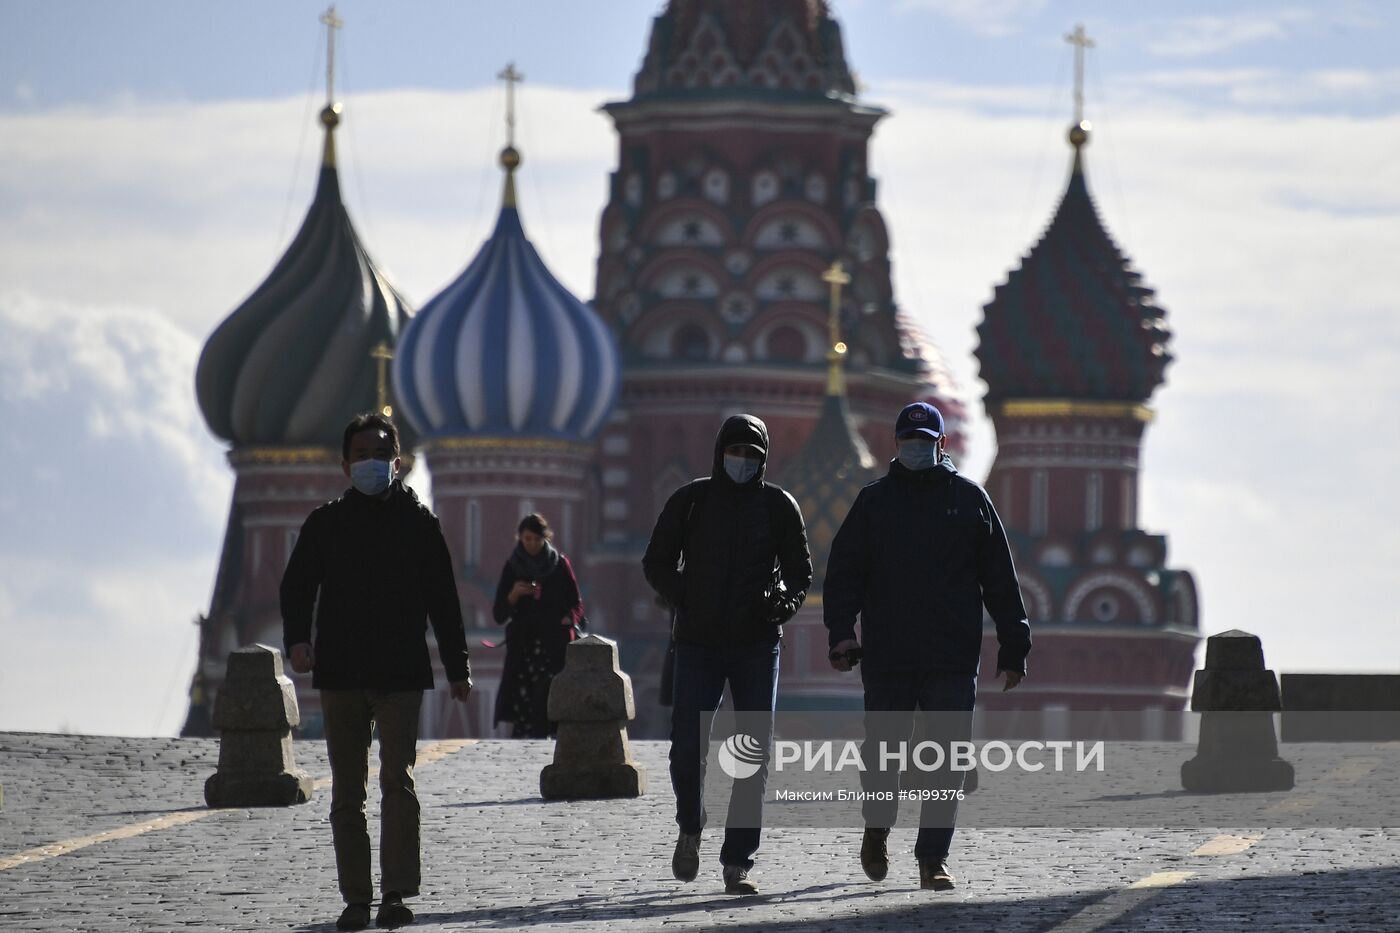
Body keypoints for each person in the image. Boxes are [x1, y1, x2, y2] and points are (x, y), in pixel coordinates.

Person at [823, 401, 1030, 892]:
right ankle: (877, 829)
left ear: (942, 443)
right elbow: (844, 573)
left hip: (951, 656)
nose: (917, 448)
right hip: (889, 655)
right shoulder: (874, 502)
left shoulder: (970, 500)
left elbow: (1000, 579)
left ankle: (931, 859)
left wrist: (1014, 646)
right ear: (897, 445)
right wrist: (841, 633)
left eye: (925, 440)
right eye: (908, 440)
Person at [281, 412, 472, 931]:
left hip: (400, 673)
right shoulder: (326, 523)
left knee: (397, 783)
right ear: (345, 464)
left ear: (399, 462)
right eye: (361, 455)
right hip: (340, 673)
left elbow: (444, 603)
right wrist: (298, 639)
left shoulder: (419, 524)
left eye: (380, 455)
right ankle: (356, 898)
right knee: (347, 790)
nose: (371, 463)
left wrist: (458, 669)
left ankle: (394, 893)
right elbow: (296, 586)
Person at [643, 413, 812, 896]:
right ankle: (690, 826)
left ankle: (738, 861)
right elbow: (655, 562)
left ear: (764, 458)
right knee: (686, 748)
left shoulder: (778, 506)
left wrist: (784, 604)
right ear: (719, 453)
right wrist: (687, 596)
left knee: (752, 756)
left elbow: (801, 573)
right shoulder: (691, 501)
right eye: (736, 452)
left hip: (757, 645)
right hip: (697, 643)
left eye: (753, 454)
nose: (743, 461)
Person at [491, 513, 585, 738]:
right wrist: (514, 595)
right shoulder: (513, 567)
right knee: (524, 705)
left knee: (549, 698)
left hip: (553, 648)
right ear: (520, 539)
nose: (531, 544)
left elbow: (577, 605)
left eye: (536, 539)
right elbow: (498, 614)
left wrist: (566, 620)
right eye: (527, 539)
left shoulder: (560, 565)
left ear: (545, 538)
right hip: (523, 648)